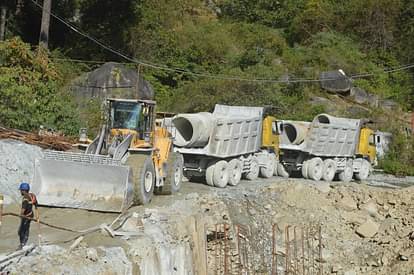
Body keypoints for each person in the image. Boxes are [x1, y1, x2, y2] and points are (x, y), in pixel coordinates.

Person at [18, 182, 38, 249]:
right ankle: (23, 243)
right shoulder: (32, 195)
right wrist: (36, 208)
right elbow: (36, 203)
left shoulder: (25, 199)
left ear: (23, 190)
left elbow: (23, 208)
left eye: (21, 190)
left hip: (26, 216)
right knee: (26, 229)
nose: (20, 191)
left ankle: (22, 244)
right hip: (31, 214)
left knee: (21, 231)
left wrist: (21, 215)